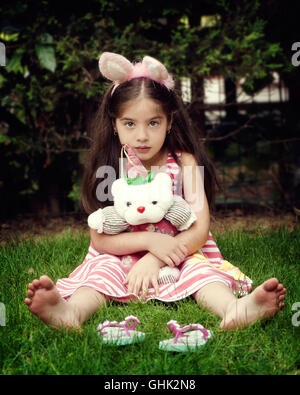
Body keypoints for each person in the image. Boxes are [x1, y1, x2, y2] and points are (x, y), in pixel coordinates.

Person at [24, 53, 286, 331]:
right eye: (129, 123)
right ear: (114, 123)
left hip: (179, 252)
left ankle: (234, 308)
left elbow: (199, 229)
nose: (142, 136)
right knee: (103, 271)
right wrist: (150, 242)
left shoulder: (184, 162)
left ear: (169, 121)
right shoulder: (112, 167)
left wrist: (157, 256)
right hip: (122, 254)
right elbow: (100, 240)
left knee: (200, 272)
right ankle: (71, 312)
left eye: (153, 123)